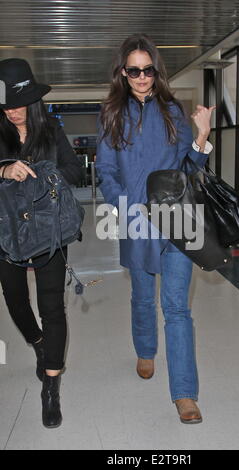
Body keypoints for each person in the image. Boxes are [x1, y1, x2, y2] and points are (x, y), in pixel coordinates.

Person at [96, 34, 215, 424]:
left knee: (178, 309)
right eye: (134, 70)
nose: (142, 76)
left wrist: (201, 136)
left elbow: (188, 169)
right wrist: (128, 209)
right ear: (123, 72)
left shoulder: (172, 111)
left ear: (156, 71)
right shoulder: (112, 113)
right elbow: (107, 172)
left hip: (178, 222)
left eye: (148, 69)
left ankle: (185, 395)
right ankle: (145, 350)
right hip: (136, 223)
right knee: (143, 299)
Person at [0, 58, 82, 428]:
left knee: (53, 308)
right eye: (5, 106)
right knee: (15, 300)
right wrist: (3, 169)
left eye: (18, 104)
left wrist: (42, 176)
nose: (12, 112)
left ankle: (51, 386)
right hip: (5, 233)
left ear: (32, 101)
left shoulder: (50, 130)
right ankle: (37, 343)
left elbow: (74, 170)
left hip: (49, 232)